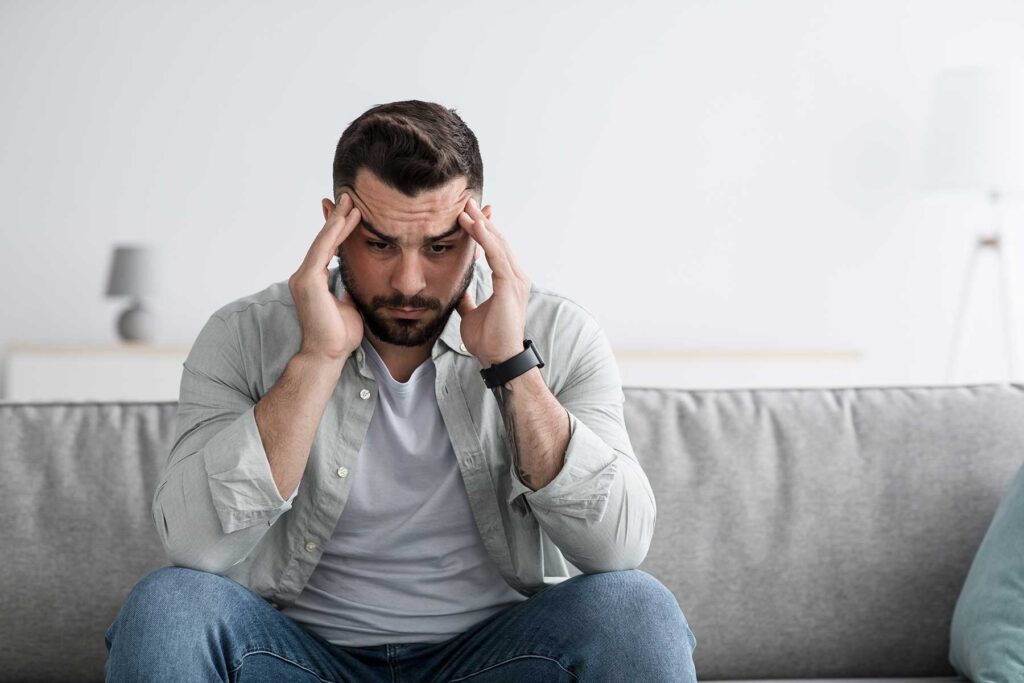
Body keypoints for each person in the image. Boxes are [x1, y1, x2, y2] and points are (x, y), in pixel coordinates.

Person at [104, 100, 697, 682]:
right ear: (335, 226)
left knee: (633, 608)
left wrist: (512, 366)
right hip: (294, 660)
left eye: (440, 247)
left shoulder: (561, 335)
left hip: (500, 661)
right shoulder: (241, 335)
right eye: (380, 244)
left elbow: (616, 550)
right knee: (169, 605)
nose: (409, 282)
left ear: (480, 228)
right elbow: (195, 549)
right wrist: (317, 359)